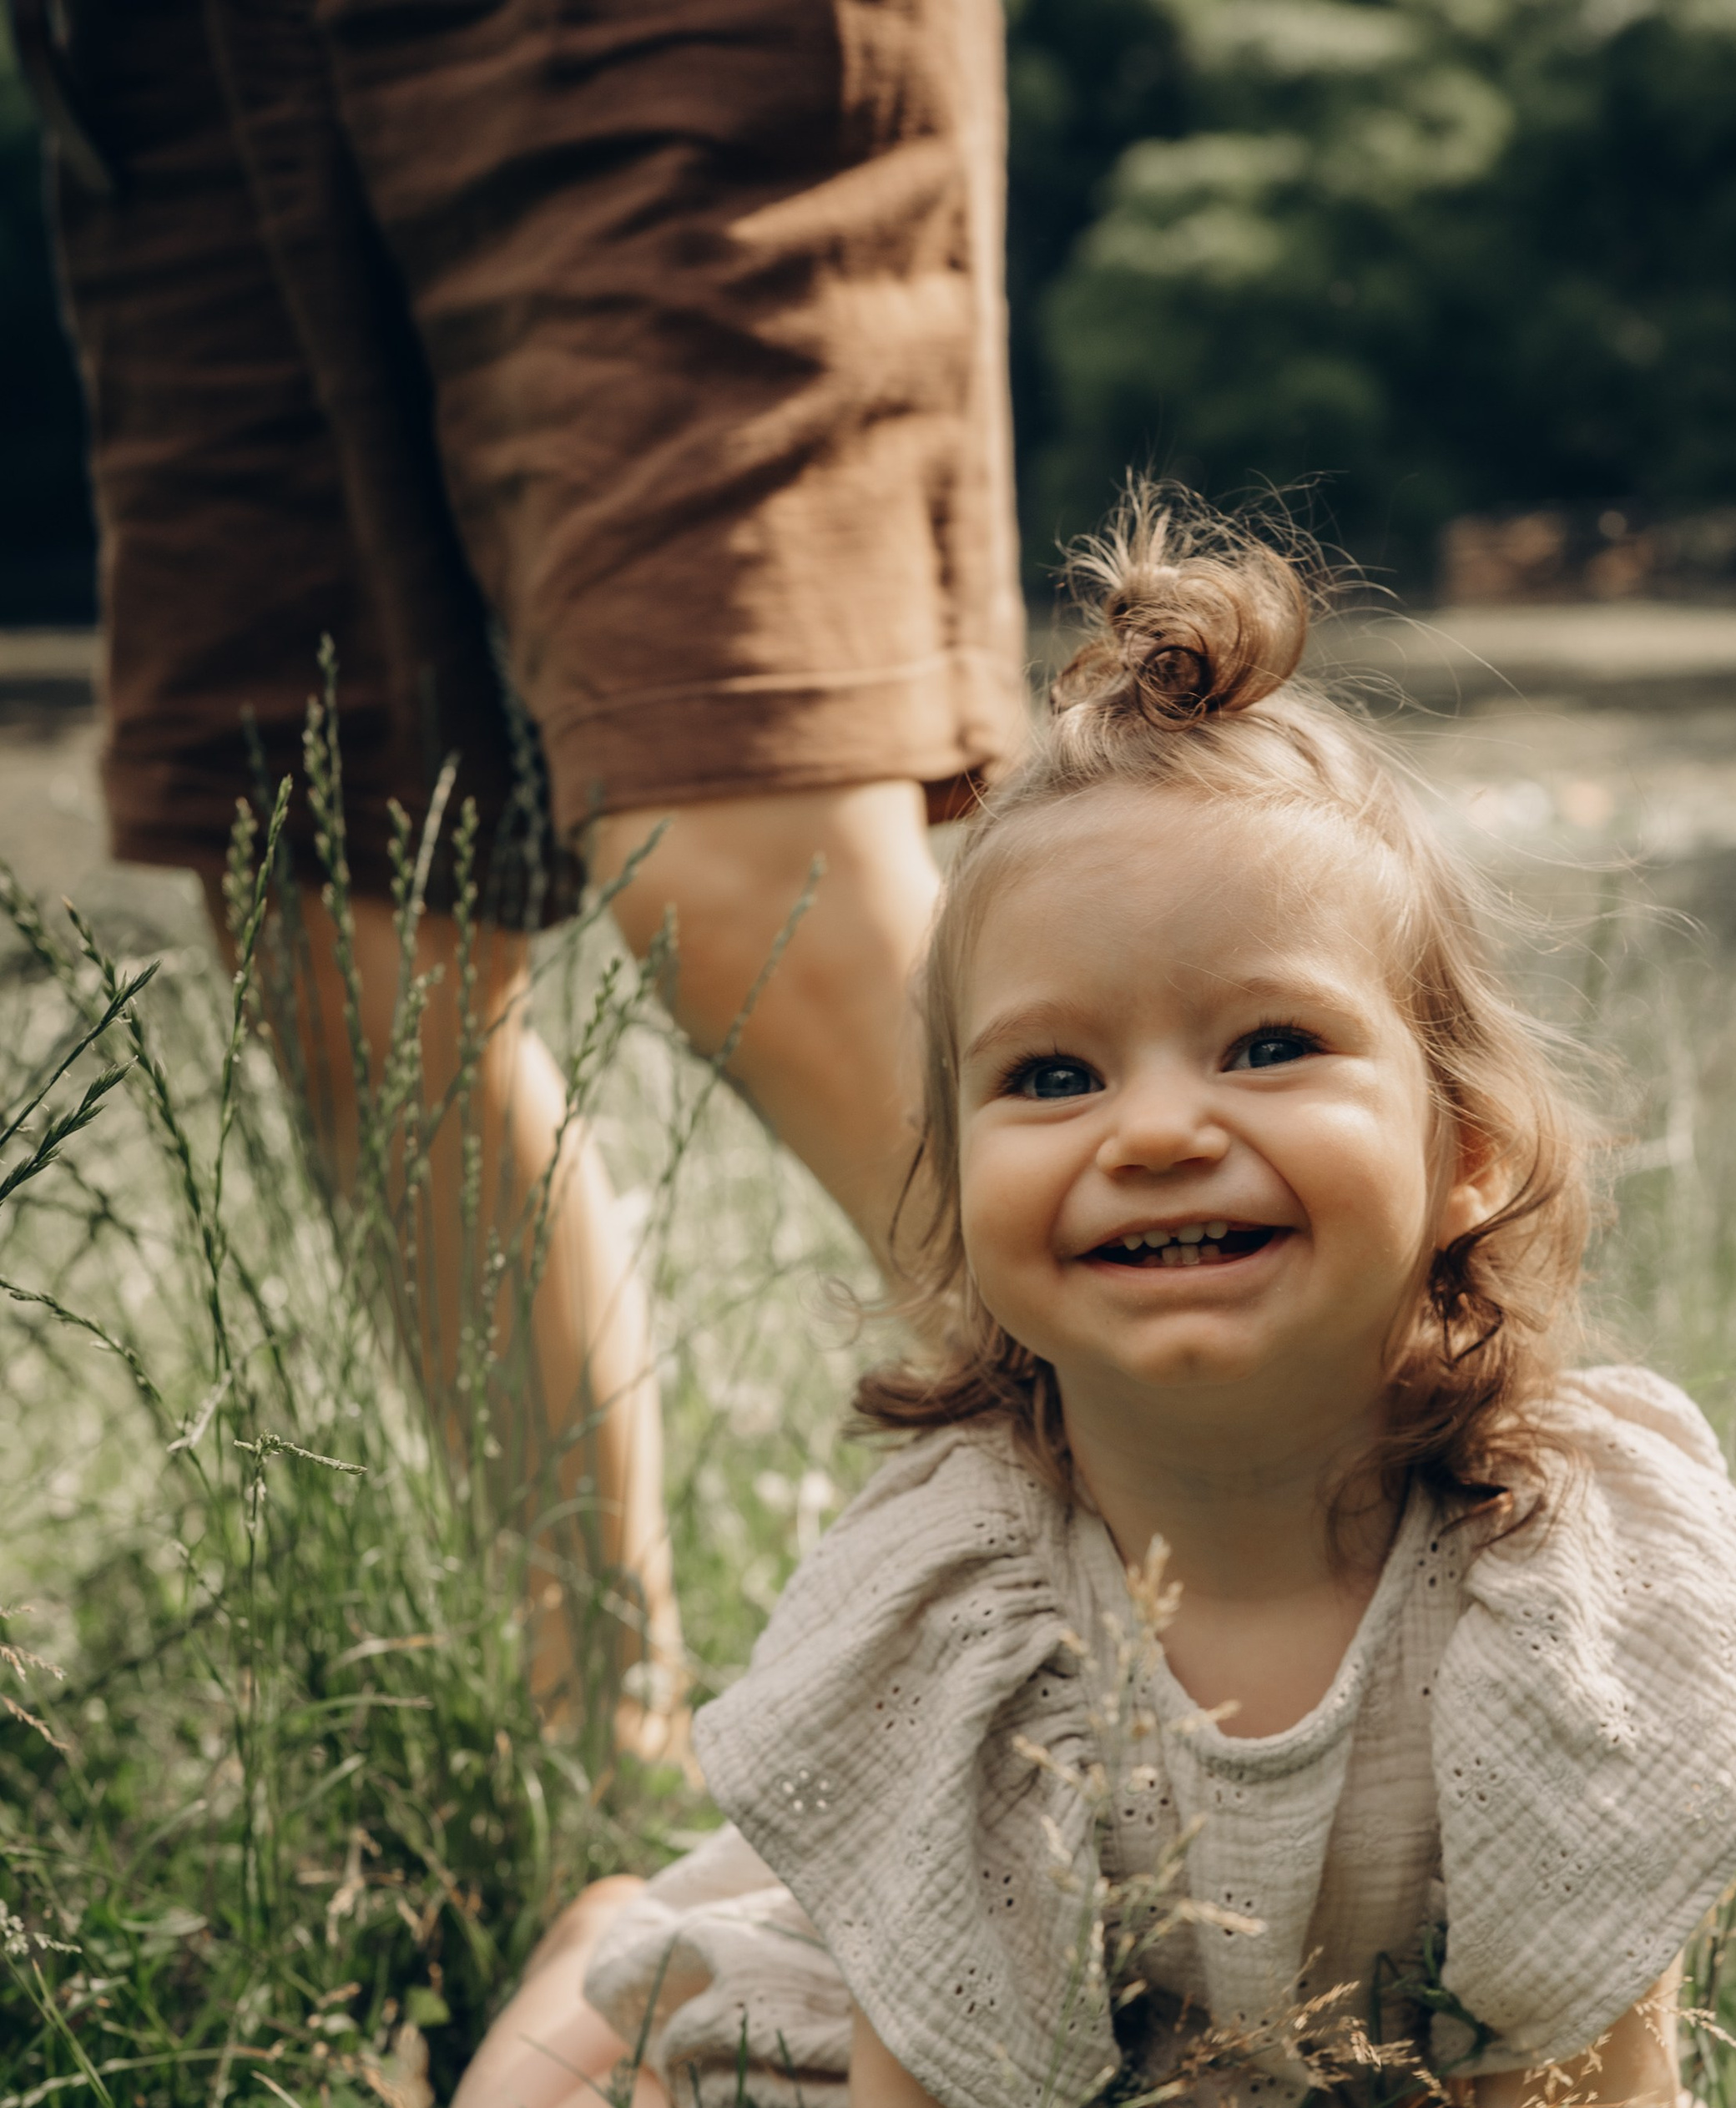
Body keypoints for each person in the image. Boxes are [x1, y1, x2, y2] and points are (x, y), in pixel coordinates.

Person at [446, 496, 1736, 2108]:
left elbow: (1590, 2084)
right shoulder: (981, 1610)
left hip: (1304, 2065)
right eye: (1053, 1076)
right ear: (965, 1195)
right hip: (930, 2009)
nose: (1157, 1128)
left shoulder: (1552, 1567)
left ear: (1466, 1144)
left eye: (1269, 1046)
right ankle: (599, 1956)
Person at [29, 0, 1024, 1747]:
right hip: (171, 61)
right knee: (336, 945)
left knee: (736, 871)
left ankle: (1307, 1625)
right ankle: (599, 1772)